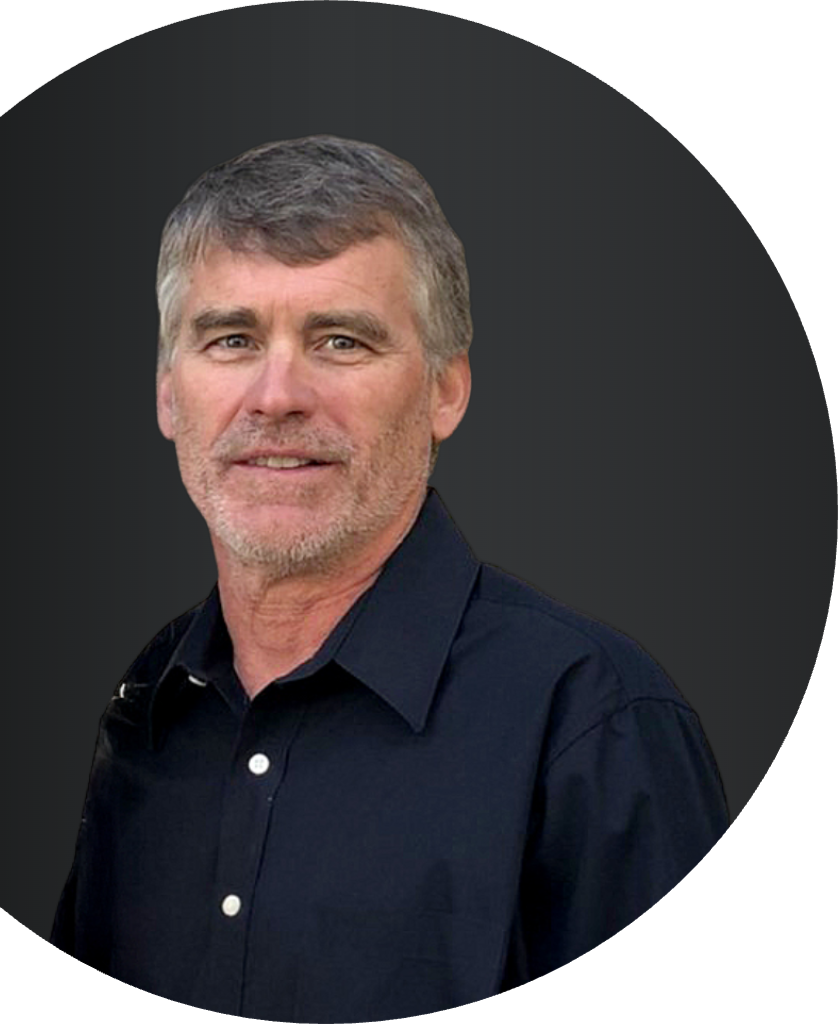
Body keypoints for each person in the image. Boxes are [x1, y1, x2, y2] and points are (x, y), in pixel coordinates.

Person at [50, 135, 729, 1018]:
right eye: (231, 339)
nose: (277, 395)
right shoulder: (151, 708)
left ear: (447, 391)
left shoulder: (592, 719)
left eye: (340, 340)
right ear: (168, 394)